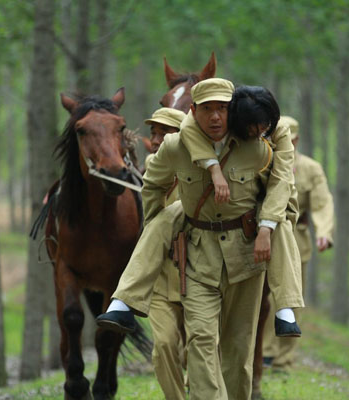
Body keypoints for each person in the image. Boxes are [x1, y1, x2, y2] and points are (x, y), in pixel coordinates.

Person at [97, 78, 282, 399]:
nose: (215, 116)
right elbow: (153, 187)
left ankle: (288, 308)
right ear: (194, 112)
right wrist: (158, 226)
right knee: (198, 340)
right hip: (196, 259)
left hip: (244, 258)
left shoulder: (255, 147)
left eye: (222, 108)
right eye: (207, 109)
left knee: (238, 348)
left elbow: (280, 187)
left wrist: (266, 227)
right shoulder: (173, 149)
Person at [179, 86, 306, 336]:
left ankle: (285, 308)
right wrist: (214, 168)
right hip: (240, 197)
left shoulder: (279, 130)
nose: (258, 133)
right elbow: (186, 127)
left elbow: (281, 181)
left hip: (274, 196)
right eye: (251, 130)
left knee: (280, 226)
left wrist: (266, 227)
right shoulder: (223, 120)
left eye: (263, 128)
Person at [262, 115, 334, 371]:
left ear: (297, 140)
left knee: (290, 299)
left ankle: (283, 358)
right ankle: (262, 352)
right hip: (260, 240)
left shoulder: (311, 169)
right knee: (261, 299)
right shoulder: (259, 160)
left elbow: (322, 202)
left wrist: (324, 231)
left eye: (290, 141)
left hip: (295, 240)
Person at [144, 107, 188, 400]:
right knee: (163, 344)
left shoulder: (203, 168)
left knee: (201, 347)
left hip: (199, 271)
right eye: (154, 133)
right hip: (161, 271)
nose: (156, 140)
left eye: (165, 133)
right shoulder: (153, 165)